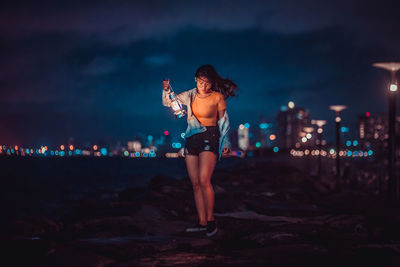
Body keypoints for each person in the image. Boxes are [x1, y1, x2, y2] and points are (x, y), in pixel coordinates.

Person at [162, 64, 237, 237]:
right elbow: (168, 102)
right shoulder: (189, 94)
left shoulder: (217, 97)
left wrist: (225, 142)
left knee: (204, 180)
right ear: (195, 79)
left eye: (207, 83)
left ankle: (211, 221)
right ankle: (202, 222)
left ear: (212, 83)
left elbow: (224, 121)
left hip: (210, 137)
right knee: (195, 183)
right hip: (191, 139)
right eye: (200, 82)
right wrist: (166, 89)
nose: (203, 86)